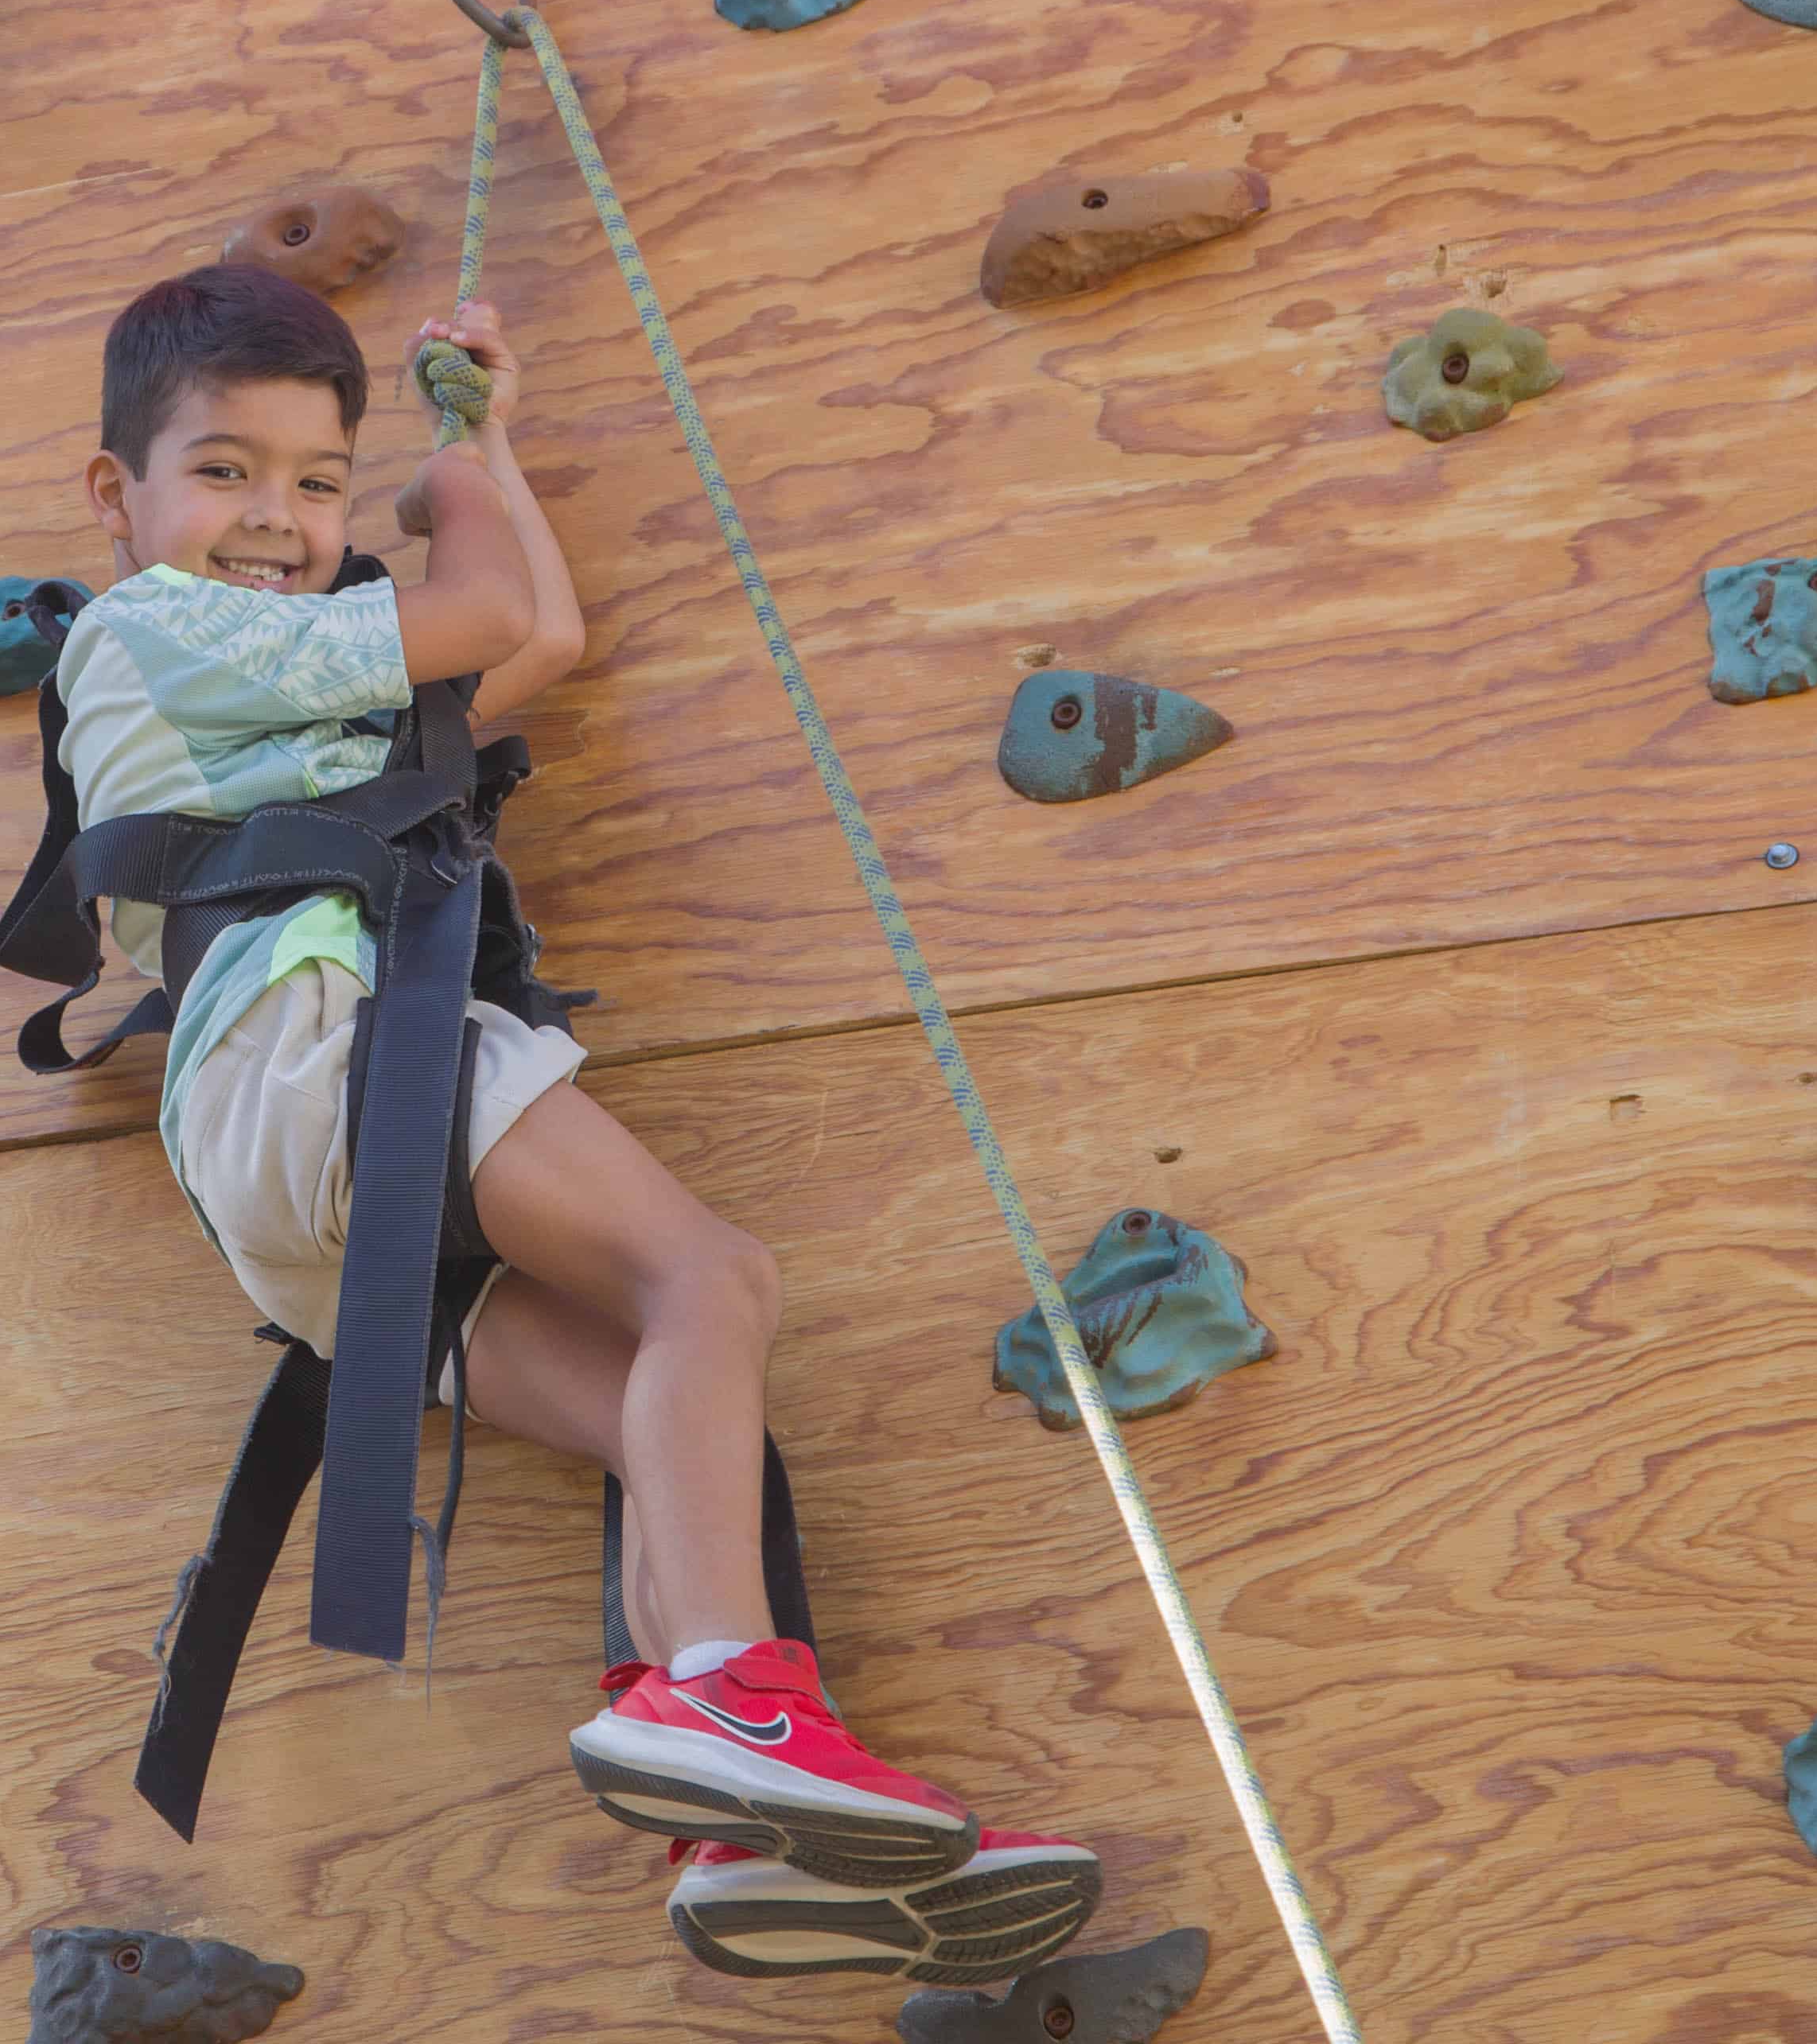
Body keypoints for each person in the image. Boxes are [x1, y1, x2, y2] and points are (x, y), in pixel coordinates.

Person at [56, 261, 1092, 1980]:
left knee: (657, 1414)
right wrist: (448, 489)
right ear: (118, 496)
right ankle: (735, 1709)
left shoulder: (287, 679)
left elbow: (536, 636)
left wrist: (493, 443)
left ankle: (736, 1830)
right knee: (711, 1281)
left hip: (273, 1168)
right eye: (225, 469)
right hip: (335, 1049)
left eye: (320, 481)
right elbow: (470, 612)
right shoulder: (155, 628)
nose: (280, 517)